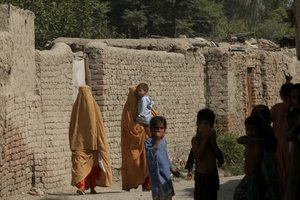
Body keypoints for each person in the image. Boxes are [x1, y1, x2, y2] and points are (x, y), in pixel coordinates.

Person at [68, 85, 112, 195]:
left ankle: (92, 187)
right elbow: (72, 126)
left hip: (94, 144)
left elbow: (99, 126)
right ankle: (82, 187)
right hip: (79, 144)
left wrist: (99, 142)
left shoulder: (94, 107)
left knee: (93, 167)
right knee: (79, 166)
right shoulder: (76, 108)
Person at [234, 115, 280, 200]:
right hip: (249, 178)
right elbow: (239, 140)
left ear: (259, 130)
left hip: (256, 179)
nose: (250, 132)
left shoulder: (259, 144)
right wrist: (254, 140)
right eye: (247, 129)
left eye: (253, 129)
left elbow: (271, 142)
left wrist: (256, 141)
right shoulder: (251, 141)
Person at [121, 85, 157, 191]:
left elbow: (154, 120)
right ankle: (131, 183)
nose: (136, 97)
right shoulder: (127, 111)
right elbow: (127, 127)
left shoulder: (143, 104)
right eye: (134, 95)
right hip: (133, 144)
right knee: (135, 162)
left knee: (147, 161)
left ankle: (146, 185)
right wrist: (138, 128)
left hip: (147, 140)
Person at [191, 108, 224, 200]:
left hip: (212, 176)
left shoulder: (212, 141)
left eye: (211, 124)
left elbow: (220, 158)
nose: (208, 127)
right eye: (205, 123)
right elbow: (198, 155)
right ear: (198, 124)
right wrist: (205, 140)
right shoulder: (195, 140)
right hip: (202, 177)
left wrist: (213, 144)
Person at [145, 116, 179, 200]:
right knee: (159, 194)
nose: (159, 130)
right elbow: (150, 155)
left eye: (162, 128)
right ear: (152, 129)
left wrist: (171, 168)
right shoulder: (148, 142)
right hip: (157, 175)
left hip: (165, 173)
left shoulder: (163, 141)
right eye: (157, 128)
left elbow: (165, 156)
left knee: (167, 194)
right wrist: (156, 141)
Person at [270, 82, 293, 195]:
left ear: (282, 94)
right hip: (291, 144)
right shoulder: (294, 107)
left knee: (280, 170)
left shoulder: (277, 107)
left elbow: (267, 122)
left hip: (278, 143)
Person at [284, 83, 300, 200]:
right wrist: (297, 125)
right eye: (294, 97)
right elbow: (287, 135)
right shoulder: (290, 115)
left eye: (299, 97)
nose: (297, 100)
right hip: (297, 153)